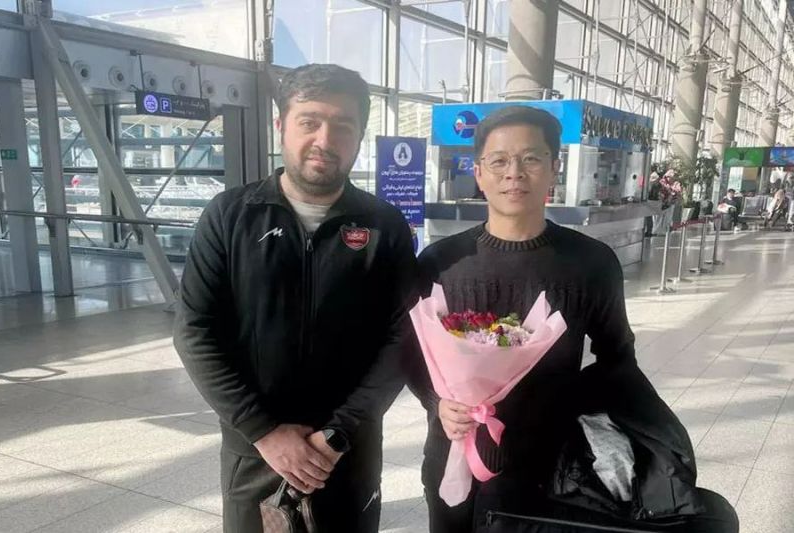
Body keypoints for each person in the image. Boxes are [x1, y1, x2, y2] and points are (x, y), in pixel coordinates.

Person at [406, 106, 738, 533]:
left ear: (553, 169)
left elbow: (617, 359)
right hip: (454, 452)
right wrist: (438, 403)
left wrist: (635, 442)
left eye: (531, 158)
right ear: (479, 172)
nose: (514, 173)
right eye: (499, 161)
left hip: (553, 465)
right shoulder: (441, 261)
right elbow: (411, 355)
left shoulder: (590, 263)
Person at [174, 64, 417, 532]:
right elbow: (194, 330)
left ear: (359, 137)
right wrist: (263, 430)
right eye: (310, 121)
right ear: (281, 125)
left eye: (343, 125)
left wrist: (339, 432)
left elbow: (403, 338)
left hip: (347, 452)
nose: (325, 139)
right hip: (256, 452)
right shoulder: (230, 216)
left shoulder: (384, 225)